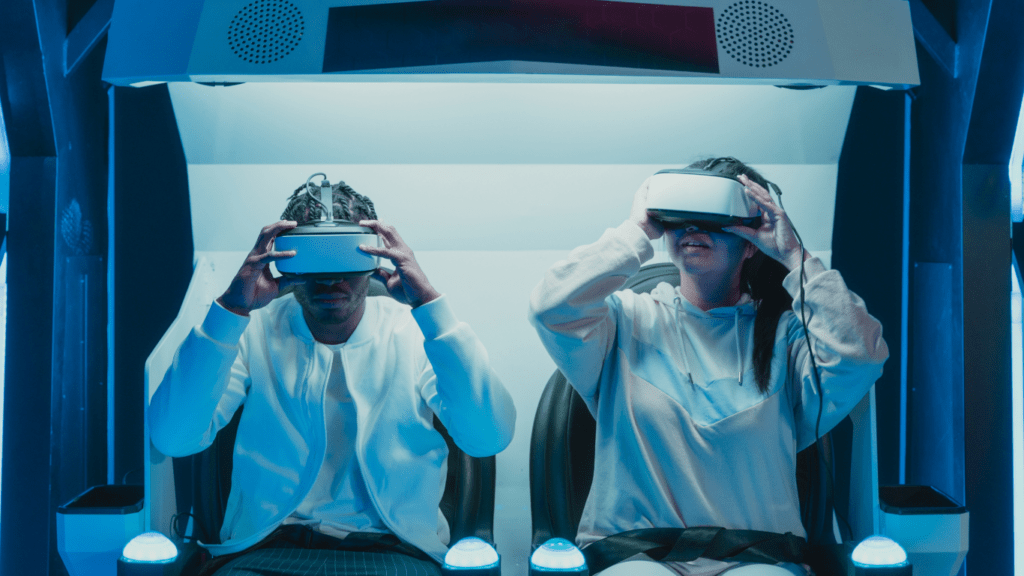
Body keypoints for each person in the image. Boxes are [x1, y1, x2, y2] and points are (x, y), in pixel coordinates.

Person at [528, 157, 889, 576]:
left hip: (758, 557)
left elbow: (862, 355)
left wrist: (795, 255)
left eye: (714, 219)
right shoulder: (622, 322)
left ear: (751, 240)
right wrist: (638, 232)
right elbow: (549, 308)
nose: (693, 228)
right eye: (681, 217)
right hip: (636, 556)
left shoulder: (788, 338)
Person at [149, 179, 517, 576]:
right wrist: (230, 311)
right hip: (267, 550)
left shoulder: (413, 333)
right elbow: (173, 436)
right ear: (283, 255)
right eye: (314, 255)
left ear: (375, 253)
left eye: (344, 253)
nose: (330, 278)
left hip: (396, 551)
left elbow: (488, 437)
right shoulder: (253, 332)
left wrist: (429, 305)